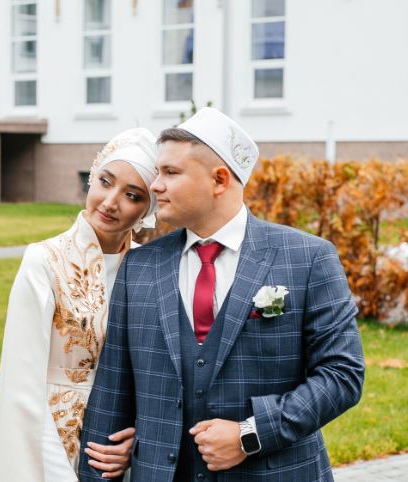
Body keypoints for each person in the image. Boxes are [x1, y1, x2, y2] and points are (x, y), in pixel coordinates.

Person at [79, 108, 365, 481]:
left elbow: (342, 375)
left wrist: (251, 434)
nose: (155, 186)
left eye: (170, 173)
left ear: (219, 179)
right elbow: (112, 393)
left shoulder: (308, 258)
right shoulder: (139, 267)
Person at [0, 128, 159, 482]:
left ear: (147, 210)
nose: (110, 202)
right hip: (48, 433)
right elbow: (22, 380)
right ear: (91, 180)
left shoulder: (151, 270)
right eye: (105, 182)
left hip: (118, 444)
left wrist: (138, 439)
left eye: (132, 195)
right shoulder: (43, 261)